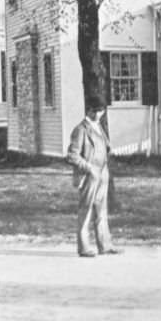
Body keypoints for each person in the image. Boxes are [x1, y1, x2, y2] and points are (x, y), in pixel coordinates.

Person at [67, 102, 121, 257]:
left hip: (103, 173)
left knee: (101, 211)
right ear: (88, 110)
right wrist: (89, 168)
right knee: (86, 211)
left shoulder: (99, 126)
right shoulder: (80, 130)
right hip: (89, 175)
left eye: (101, 111)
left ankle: (105, 245)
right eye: (95, 110)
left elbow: (105, 146)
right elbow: (72, 155)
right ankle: (84, 248)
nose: (98, 114)